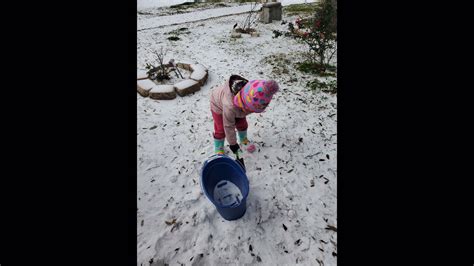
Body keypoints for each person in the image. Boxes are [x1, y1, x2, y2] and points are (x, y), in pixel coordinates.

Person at [209, 74, 279, 156]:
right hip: (218, 106)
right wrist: (233, 144)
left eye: (253, 110)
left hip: (239, 108)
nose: (250, 112)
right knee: (221, 128)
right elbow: (228, 126)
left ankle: (243, 139)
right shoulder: (229, 107)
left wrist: (247, 109)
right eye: (250, 110)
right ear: (244, 103)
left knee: (242, 124)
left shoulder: (250, 93)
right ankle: (219, 147)